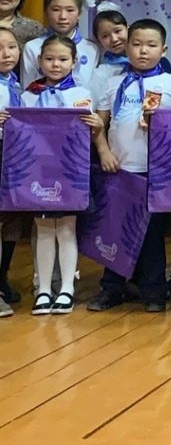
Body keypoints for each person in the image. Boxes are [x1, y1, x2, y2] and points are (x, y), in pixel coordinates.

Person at [87, 19, 171, 312]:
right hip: (118, 168)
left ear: (163, 50)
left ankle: (153, 289)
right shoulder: (113, 82)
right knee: (115, 228)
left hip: (155, 170)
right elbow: (98, 125)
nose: (143, 51)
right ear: (127, 47)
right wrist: (104, 152)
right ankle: (112, 287)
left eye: (151, 45)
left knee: (151, 233)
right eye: (137, 44)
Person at [8, 36, 92, 316]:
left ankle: (67, 288)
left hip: (70, 169)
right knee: (43, 228)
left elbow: (87, 132)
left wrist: (95, 124)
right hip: (37, 169)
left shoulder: (81, 94)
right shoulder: (28, 95)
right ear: (39, 61)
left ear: (74, 62)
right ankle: (43, 289)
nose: (56, 64)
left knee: (67, 227)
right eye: (50, 59)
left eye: (63, 59)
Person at [21, 0, 99, 87]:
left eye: (70, 10)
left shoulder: (91, 48)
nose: (63, 16)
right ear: (45, 12)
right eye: (56, 10)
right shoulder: (32, 47)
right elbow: (27, 88)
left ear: (79, 14)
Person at [0, 27, 22, 314]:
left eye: (11, 47)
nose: (6, 54)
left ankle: (3, 276)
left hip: (15, 154)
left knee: (12, 218)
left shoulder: (17, 85)